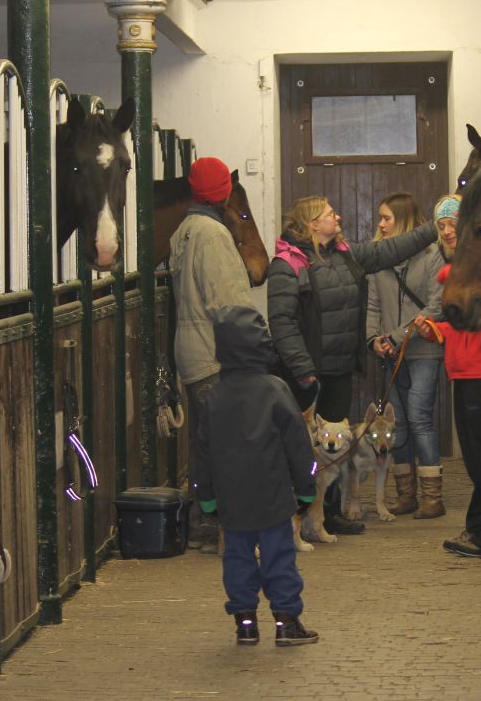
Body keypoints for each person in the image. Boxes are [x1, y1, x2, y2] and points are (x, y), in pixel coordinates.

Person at [268, 194, 437, 535]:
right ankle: (294, 515)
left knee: (336, 448)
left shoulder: (346, 256)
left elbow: (389, 251)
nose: (338, 216)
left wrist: (434, 229)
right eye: (331, 213)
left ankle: (327, 513)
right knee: (304, 447)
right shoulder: (289, 264)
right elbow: (282, 321)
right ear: (313, 224)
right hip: (306, 374)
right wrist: (302, 368)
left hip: (339, 366)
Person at [195, 305, 318, 647]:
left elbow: (202, 454)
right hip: (274, 495)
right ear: (261, 343)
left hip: (232, 500)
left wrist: (205, 496)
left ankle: (245, 624)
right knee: (279, 557)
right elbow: (299, 447)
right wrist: (307, 489)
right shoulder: (276, 390)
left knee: (237, 558)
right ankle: (286, 622)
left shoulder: (213, 398)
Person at [414, 195, 481, 559]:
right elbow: (468, 323)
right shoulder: (470, 270)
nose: (446, 231)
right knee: (478, 459)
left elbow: (458, 287)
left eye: (452, 223)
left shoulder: (480, 268)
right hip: (469, 371)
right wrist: (438, 330)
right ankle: (480, 528)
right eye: (441, 225)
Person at [169, 156, 255, 553]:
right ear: (224, 194)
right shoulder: (214, 235)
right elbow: (229, 304)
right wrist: (254, 352)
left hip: (189, 353)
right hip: (215, 355)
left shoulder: (183, 230)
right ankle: (222, 527)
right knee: (227, 447)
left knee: (204, 445)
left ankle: (204, 524)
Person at [366, 193, 446, 518]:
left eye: (386, 218)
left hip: (423, 350)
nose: (380, 225)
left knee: (419, 417)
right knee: (396, 423)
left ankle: (432, 497)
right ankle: (406, 494)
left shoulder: (432, 256)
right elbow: (372, 306)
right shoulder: (378, 260)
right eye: (380, 219)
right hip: (390, 355)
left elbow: (435, 306)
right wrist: (373, 338)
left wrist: (395, 336)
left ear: (404, 220)